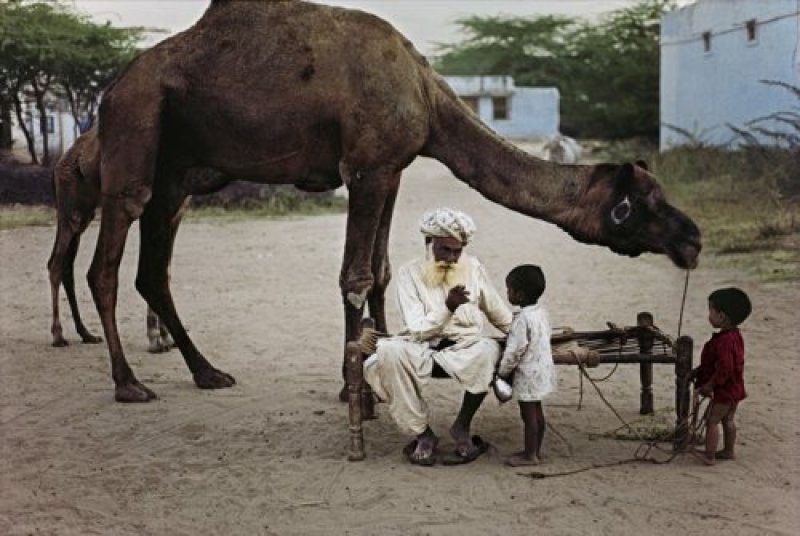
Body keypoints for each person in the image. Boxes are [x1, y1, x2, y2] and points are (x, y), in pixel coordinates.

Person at [363, 207, 513, 465]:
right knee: (388, 352)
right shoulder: (409, 273)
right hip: (422, 347)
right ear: (429, 242)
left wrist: (524, 333)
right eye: (445, 249)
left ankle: (461, 427)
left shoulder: (473, 268)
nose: (452, 257)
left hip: (465, 348)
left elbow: (498, 311)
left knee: (489, 350)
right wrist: (448, 308)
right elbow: (417, 328)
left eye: (458, 251)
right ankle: (423, 434)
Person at [495, 264, 557, 466]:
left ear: (519, 295)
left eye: (509, 289)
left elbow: (515, 350)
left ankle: (530, 456)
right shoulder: (540, 313)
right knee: (537, 413)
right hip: (543, 370)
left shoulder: (522, 320)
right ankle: (535, 450)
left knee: (528, 415)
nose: (507, 293)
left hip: (528, 373)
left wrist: (503, 371)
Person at [690, 287, 752, 465]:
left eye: (710, 310)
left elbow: (725, 368)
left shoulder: (724, 342)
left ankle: (709, 455)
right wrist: (699, 371)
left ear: (722, 316)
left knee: (712, 420)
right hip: (735, 389)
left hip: (725, 390)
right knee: (728, 419)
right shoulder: (734, 336)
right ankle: (728, 451)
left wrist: (710, 384)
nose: (708, 314)